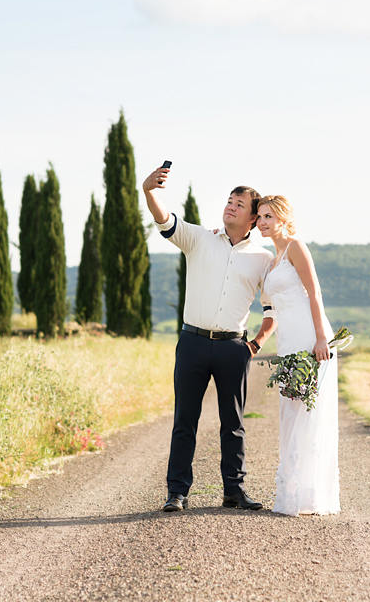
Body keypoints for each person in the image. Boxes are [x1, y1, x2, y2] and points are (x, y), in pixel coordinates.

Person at [142, 164, 276, 513]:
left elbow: (273, 308)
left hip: (234, 347)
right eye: (229, 200)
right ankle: (177, 493)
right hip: (192, 344)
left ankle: (234, 490)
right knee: (185, 420)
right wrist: (149, 191)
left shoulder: (263, 260)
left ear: (251, 219)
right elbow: (166, 221)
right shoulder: (199, 238)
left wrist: (256, 344)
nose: (230, 206)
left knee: (232, 424)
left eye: (239, 204)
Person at [255, 195, 340, 516]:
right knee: (290, 411)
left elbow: (314, 293)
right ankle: (296, 493)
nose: (263, 222)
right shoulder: (273, 258)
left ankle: (310, 495)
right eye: (260, 217)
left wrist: (321, 338)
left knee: (307, 411)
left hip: (308, 336)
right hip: (288, 341)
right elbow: (274, 308)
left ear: (283, 219)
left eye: (269, 217)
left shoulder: (295, 247)